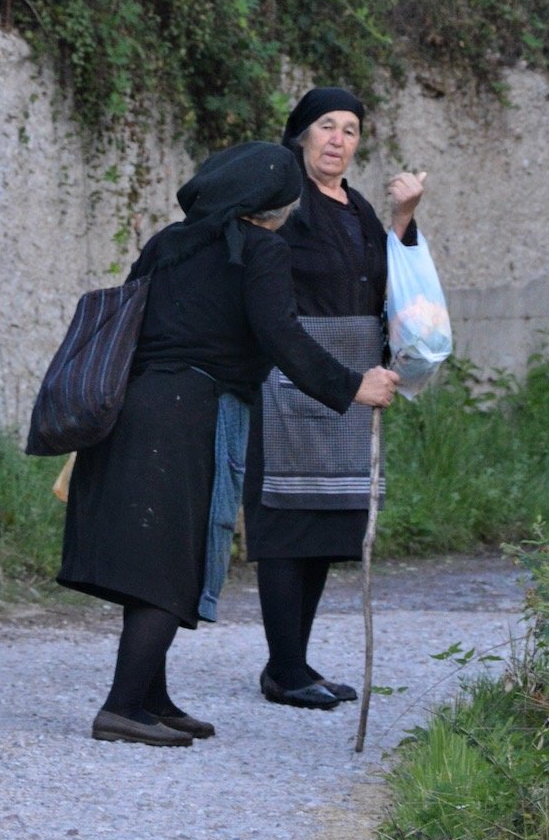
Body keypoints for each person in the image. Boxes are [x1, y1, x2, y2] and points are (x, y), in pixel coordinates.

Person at [56, 141, 400, 747]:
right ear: (269, 201)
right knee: (170, 559)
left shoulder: (170, 241)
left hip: (136, 407)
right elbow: (280, 336)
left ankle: (150, 698)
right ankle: (119, 708)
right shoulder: (260, 249)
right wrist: (353, 386)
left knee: (154, 552)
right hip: (190, 413)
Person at [242, 88, 425, 710]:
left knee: (323, 519)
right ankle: (286, 671)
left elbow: (384, 280)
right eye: (326, 126)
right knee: (286, 519)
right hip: (292, 373)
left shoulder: (356, 206)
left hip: (351, 377)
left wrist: (402, 221)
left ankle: (289, 662)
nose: (338, 140)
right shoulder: (281, 202)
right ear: (300, 134)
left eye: (350, 129)